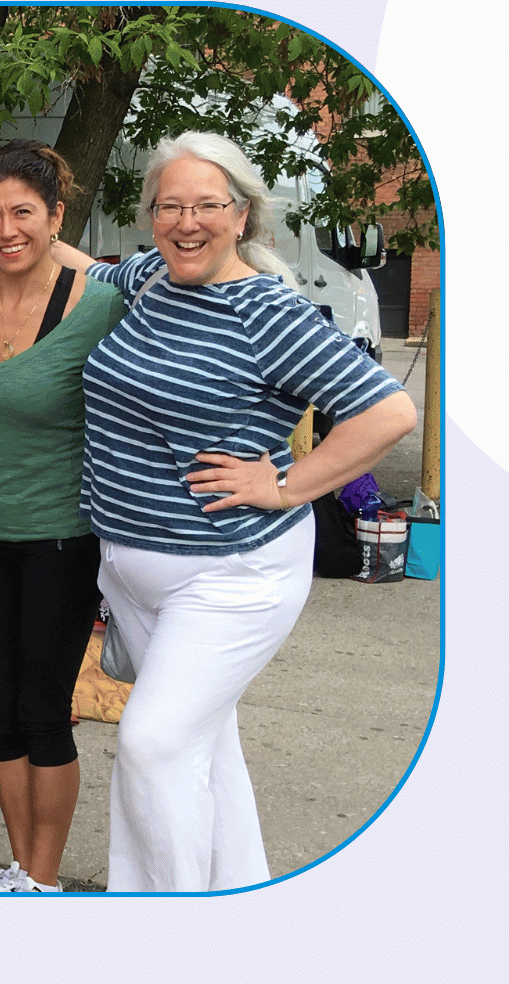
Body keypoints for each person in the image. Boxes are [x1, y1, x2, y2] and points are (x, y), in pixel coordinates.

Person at [78, 131, 414, 891]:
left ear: (242, 216)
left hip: (230, 573)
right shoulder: (154, 280)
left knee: (154, 745)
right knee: (204, 750)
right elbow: (85, 263)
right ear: (151, 215)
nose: (186, 221)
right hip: (134, 570)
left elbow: (387, 411)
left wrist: (287, 484)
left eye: (207, 205)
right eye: (170, 206)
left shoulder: (265, 309)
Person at [0, 141, 125, 893]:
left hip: (64, 540)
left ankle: (41, 884)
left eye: (25, 213)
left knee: (43, 711)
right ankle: (22, 869)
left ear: (57, 216)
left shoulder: (99, 303)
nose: (5, 229)